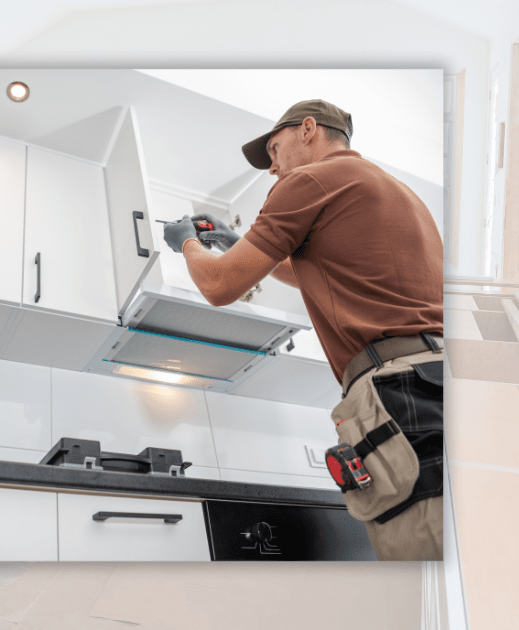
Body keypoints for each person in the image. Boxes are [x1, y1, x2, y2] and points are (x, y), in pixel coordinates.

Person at [162, 99, 444, 561]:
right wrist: (244, 247)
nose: (273, 169)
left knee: (427, 566)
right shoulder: (399, 192)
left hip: (397, 392)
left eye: (274, 150)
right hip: (441, 384)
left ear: (308, 129)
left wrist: (187, 243)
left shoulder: (308, 180)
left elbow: (218, 285)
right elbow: (322, 270)